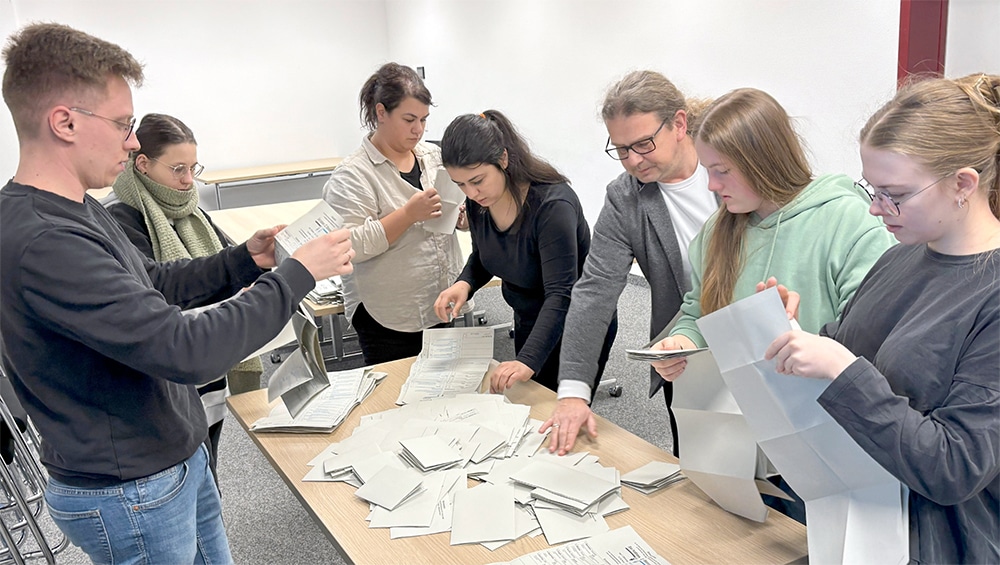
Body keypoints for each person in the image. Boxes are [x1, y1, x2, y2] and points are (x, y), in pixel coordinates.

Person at [0, 23, 354, 563]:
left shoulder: (76, 206)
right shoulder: (44, 240)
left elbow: (153, 283)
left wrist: (245, 260)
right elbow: (184, 349)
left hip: (170, 458)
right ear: (65, 122)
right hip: (131, 490)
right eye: (122, 124)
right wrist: (294, 276)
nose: (133, 140)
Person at [765, 74, 1000, 563]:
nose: (875, 208)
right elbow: (847, 356)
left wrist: (842, 370)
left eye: (894, 193)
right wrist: (794, 338)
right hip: (857, 523)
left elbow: (954, 468)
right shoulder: (900, 257)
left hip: (937, 544)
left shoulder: (990, 294)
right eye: (870, 188)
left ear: (963, 184)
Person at [645, 87, 896, 520]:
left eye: (722, 171)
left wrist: (796, 332)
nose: (711, 185)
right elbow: (696, 311)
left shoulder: (845, 220)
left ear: (763, 161)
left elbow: (879, 339)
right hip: (738, 443)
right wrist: (679, 343)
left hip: (821, 444)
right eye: (708, 170)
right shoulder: (716, 232)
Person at [542, 70, 717, 456]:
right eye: (621, 149)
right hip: (686, 355)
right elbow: (595, 291)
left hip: (760, 344)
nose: (633, 160)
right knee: (703, 471)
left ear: (679, 124)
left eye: (643, 144)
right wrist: (573, 391)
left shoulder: (729, 165)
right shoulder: (626, 198)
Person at [104, 113, 260, 486]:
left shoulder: (190, 209)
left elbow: (217, 266)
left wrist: (246, 282)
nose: (189, 180)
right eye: (178, 169)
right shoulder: (121, 218)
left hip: (209, 369)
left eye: (193, 168)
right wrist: (238, 295)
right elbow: (162, 293)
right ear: (142, 163)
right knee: (185, 479)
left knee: (208, 473)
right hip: (169, 384)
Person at [433, 110, 617, 394]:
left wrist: (527, 360)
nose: (471, 193)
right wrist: (464, 283)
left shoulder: (552, 206)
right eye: (461, 185)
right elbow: (486, 256)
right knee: (531, 404)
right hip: (532, 315)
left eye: (478, 180)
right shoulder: (479, 203)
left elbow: (561, 293)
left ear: (503, 159)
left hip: (579, 320)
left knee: (561, 411)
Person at [324, 62, 465, 365]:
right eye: (409, 119)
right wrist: (408, 214)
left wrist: (463, 217)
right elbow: (349, 246)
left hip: (439, 298)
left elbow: (451, 212)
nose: (418, 129)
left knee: (445, 397)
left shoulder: (433, 157)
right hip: (387, 313)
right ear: (380, 113)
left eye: (424, 120)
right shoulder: (352, 175)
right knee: (394, 401)